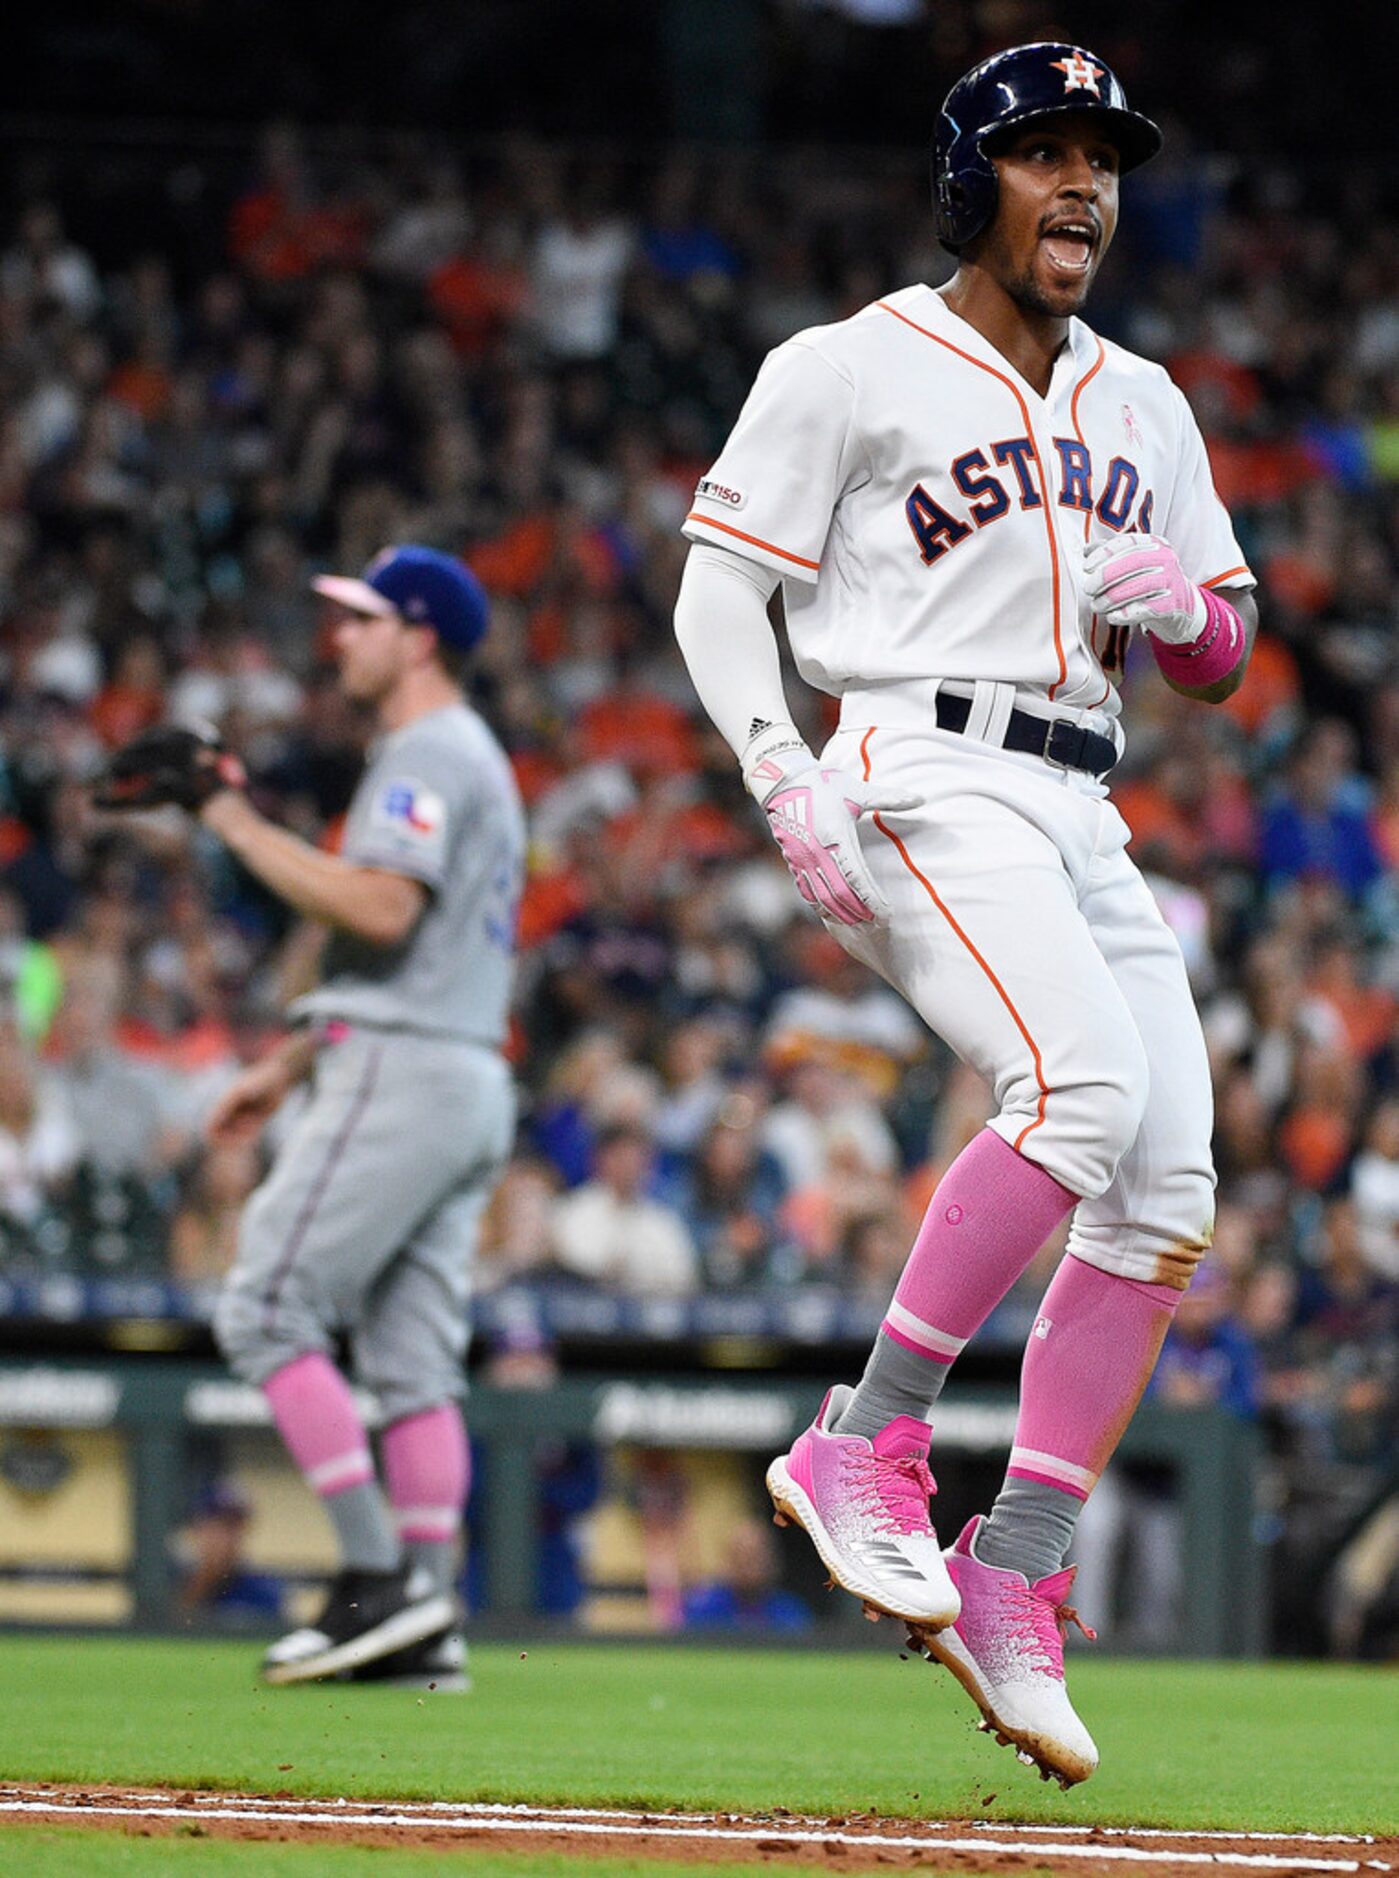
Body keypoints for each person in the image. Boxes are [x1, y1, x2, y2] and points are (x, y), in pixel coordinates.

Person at [672, 42, 1258, 1787]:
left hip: (1076, 791)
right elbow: (721, 589)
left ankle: (1012, 1567)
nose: (1079, 183)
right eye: (1040, 152)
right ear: (965, 182)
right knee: (1072, 1093)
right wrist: (778, 769)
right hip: (916, 759)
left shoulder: (1145, 401)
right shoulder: (848, 365)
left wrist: (1195, 623)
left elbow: (1224, 649)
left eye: (1100, 157)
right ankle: (862, 1440)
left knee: (1164, 1180)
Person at [95, 545, 525, 1686]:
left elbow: (383, 910)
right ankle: (423, 1625)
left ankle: (379, 1585)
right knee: (413, 1369)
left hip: (403, 1073)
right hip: (460, 1072)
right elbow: (409, 947)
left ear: (419, 634)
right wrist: (289, 1065)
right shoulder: (457, 752)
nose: (339, 637)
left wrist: (231, 822)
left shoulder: (427, 750)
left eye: (361, 618)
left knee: (267, 1306)